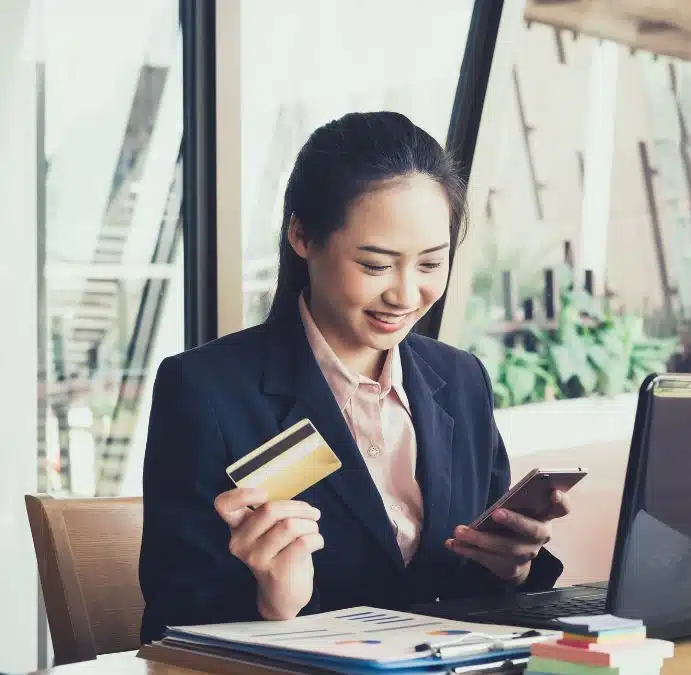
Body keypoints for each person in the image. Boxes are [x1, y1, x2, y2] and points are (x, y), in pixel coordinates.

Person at [138, 112, 569, 644]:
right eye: (375, 265)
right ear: (302, 234)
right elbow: (168, 626)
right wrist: (274, 603)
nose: (407, 296)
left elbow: (474, 592)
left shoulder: (461, 380)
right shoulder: (206, 392)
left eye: (431, 264)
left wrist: (516, 568)